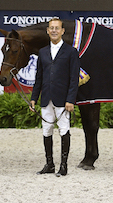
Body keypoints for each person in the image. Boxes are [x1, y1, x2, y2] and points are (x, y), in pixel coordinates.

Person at [30, 18, 80, 177]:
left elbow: (74, 79)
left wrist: (70, 99)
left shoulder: (71, 52)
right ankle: (49, 164)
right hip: (46, 97)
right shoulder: (43, 52)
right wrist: (34, 98)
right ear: (47, 30)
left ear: (62, 31)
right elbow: (39, 77)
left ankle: (63, 165)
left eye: (57, 28)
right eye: (51, 28)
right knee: (47, 130)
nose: (54, 31)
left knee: (64, 130)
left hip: (63, 98)